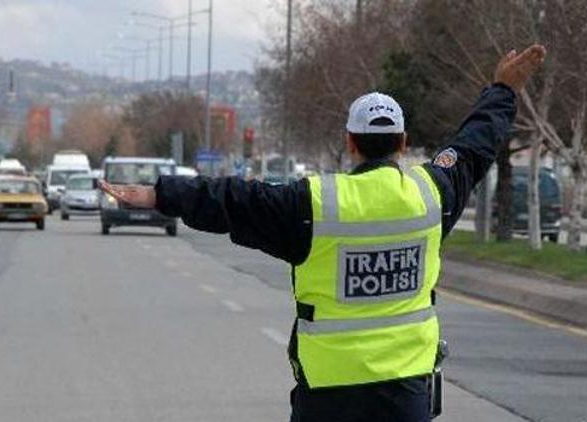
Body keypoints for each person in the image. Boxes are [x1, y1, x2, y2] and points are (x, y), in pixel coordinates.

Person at [99, 44, 546, 422]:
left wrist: (159, 193)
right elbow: (474, 145)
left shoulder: (312, 204)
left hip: (330, 395)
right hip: (407, 395)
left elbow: (231, 199)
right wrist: (504, 89)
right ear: (404, 142)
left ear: (350, 143)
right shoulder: (432, 195)